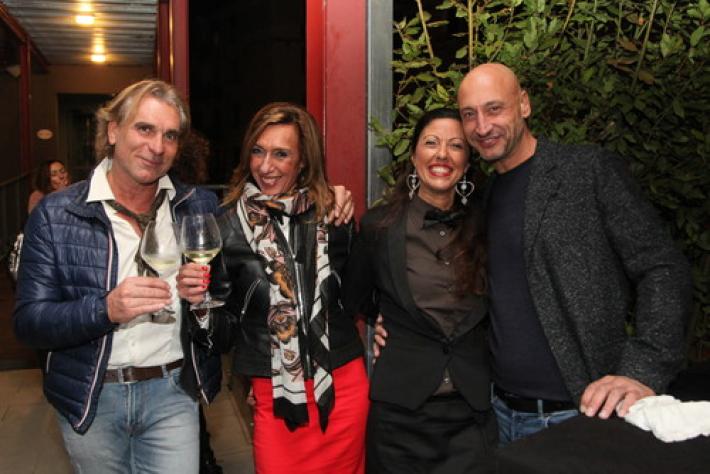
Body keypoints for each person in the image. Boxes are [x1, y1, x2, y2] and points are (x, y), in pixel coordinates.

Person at [377, 63, 691, 446]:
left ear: (524, 104)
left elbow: (662, 267)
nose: (482, 126)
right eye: (469, 115)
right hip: (494, 416)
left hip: (580, 415)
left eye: (494, 109)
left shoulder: (586, 171)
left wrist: (642, 369)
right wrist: (395, 324)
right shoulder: (480, 200)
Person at [13, 79, 223, 473]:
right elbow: (29, 323)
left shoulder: (196, 206)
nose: (157, 146)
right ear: (113, 131)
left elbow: (228, 299)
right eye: (144, 128)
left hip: (172, 393)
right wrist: (105, 309)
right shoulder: (56, 214)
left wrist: (202, 305)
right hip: (93, 398)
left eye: (170, 135)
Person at [177, 102, 368, 473]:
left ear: (303, 161)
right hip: (275, 393)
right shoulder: (227, 226)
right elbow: (223, 335)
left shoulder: (333, 215)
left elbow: (356, 297)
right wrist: (199, 304)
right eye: (258, 151)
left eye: (281, 154)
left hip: (342, 386)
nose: (266, 166)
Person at [345, 108, 496, 473]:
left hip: (471, 416)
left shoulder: (488, 224)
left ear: (467, 162)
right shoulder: (379, 226)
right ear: (413, 156)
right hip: (399, 418)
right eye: (431, 143)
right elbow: (354, 297)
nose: (442, 154)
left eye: (455, 145)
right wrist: (382, 315)